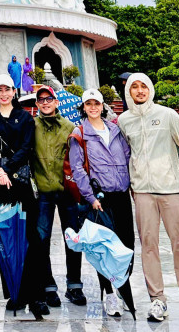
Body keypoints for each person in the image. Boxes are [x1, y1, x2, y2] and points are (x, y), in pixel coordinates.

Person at [118, 73, 179, 324]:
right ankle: (157, 299)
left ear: (150, 89)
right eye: (134, 87)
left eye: (143, 86)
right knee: (149, 245)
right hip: (143, 191)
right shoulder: (124, 120)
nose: (139, 91)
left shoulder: (167, 115)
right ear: (128, 92)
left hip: (171, 190)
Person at [68, 88, 133, 317]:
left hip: (121, 193)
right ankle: (109, 294)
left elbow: (127, 157)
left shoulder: (115, 129)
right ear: (83, 107)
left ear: (102, 105)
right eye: (89, 104)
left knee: (127, 244)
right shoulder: (79, 133)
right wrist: (91, 198)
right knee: (104, 248)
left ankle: (124, 289)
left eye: (96, 103)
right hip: (100, 197)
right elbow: (77, 168)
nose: (93, 107)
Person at [0, 74, 45, 319]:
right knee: (7, 239)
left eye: (7, 89)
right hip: (2, 186)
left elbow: (27, 147)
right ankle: (15, 292)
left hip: (22, 183)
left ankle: (36, 294)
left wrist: (5, 169)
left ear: (14, 90)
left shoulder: (25, 118)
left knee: (31, 238)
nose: (4, 94)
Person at [31, 84, 85, 309]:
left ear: (56, 102)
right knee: (41, 240)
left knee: (72, 238)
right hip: (43, 190)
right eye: (41, 100)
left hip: (66, 190)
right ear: (36, 104)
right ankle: (48, 286)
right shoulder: (31, 126)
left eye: (48, 99)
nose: (45, 103)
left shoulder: (69, 126)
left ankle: (74, 285)